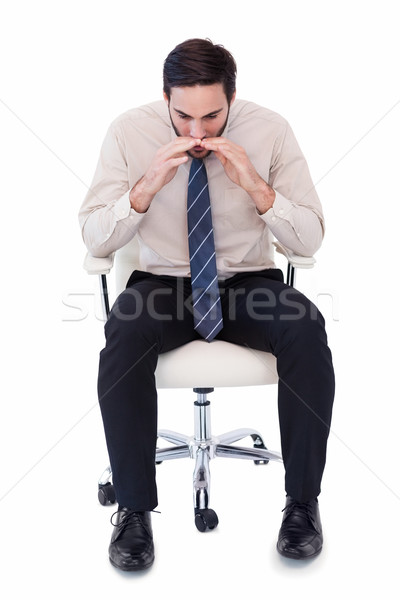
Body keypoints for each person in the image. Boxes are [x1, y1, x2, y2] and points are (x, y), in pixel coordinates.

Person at [79, 38, 335, 571]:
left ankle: (303, 504)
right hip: (162, 282)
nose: (197, 133)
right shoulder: (129, 131)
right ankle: (133, 509)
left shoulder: (270, 130)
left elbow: (309, 239)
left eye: (213, 116)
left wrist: (254, 186)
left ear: (232, 98)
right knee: (124, 332)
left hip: (246, 282)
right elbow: (95, 238)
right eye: (183, 116)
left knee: (305, 325)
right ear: (165, 98)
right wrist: (148, 184)